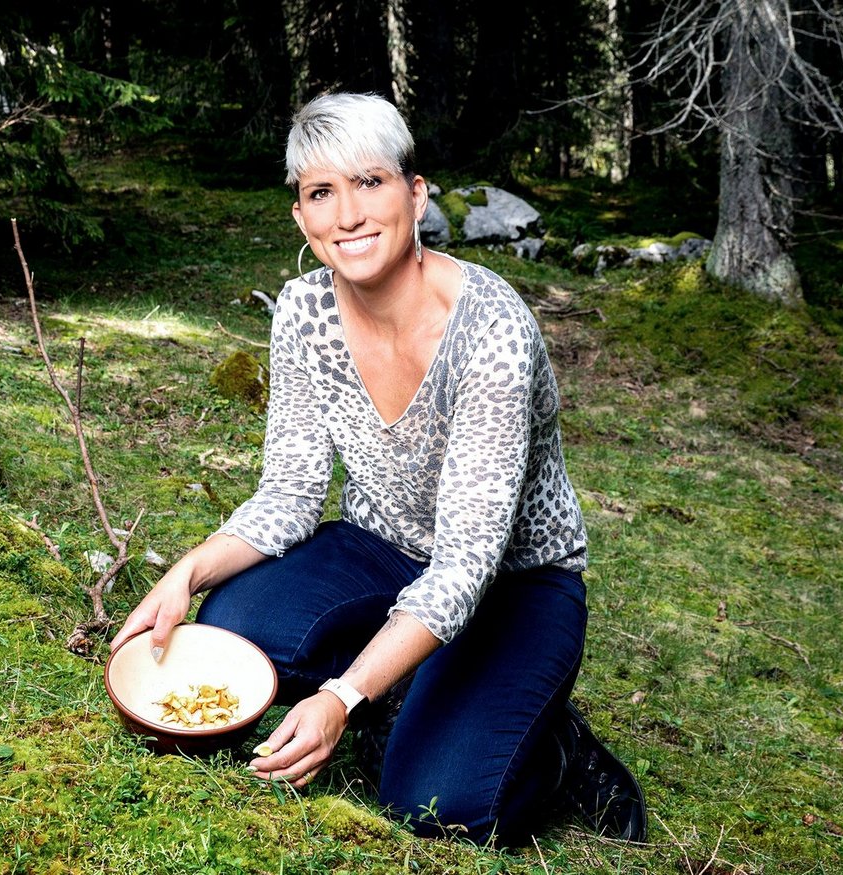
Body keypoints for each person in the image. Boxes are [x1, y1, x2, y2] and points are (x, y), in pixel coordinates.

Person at [111, 92, 646, 846]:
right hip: (381, 549)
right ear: (301, 216)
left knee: (437, 802)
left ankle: (550, 748)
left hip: (513, 583)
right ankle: (406, 688)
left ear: (415, 195)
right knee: (229, 632)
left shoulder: (491, 330)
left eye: (370, 182)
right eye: (321, 193)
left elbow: (467, 563)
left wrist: (341, 695)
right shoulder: (303, 312)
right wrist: (187, 572)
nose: (348, 215)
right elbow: (290, 492)